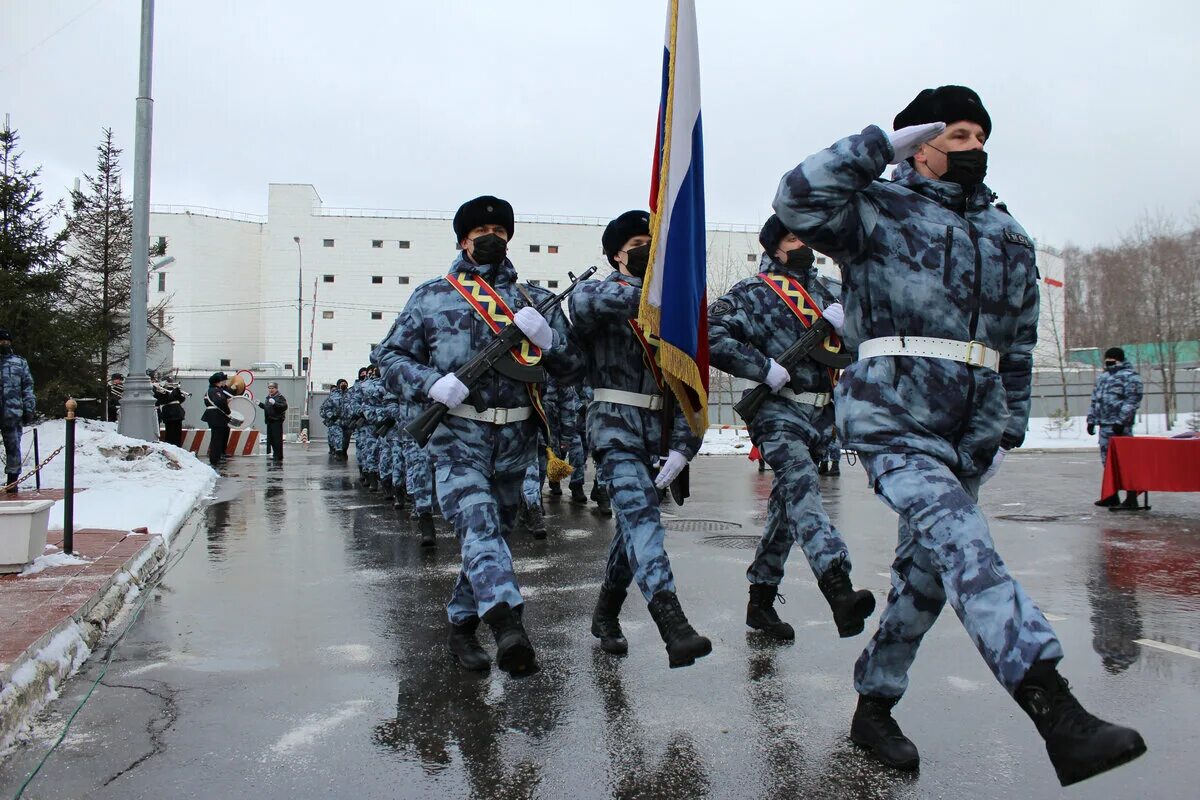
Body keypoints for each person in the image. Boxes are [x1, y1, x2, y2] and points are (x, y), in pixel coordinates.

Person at [773, 85, 1145, 786]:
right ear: (923, 144)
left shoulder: (1008, 235)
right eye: (957, 137)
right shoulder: (875, 210)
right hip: (891, 410)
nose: (974, 149)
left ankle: (874, 704)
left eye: (981, 137)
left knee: (928, 576)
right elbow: (795, 200)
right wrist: (882, 143)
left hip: (968, 425)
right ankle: (1053, 707)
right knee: (964, 543)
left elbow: (1019, 340)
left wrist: (1008, 423)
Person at [376, 195, 583, 677]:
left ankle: (461, 625)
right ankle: (508, 625)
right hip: (457, 435)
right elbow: (389, 358)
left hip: (515, 438)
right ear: (462, 240)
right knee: (478, 523)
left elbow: (573, 369)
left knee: (492, 536)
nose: (491, 236)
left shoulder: (532, 300)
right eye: (480, 230)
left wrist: (550, 341)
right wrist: (431, 383)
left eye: (499, 229)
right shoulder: (432, 296)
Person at [708, 214, 874, 641]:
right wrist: (763, 368)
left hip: (822, 416)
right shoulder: (752, 293)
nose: (803, 244)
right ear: (773, 246)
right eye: (794, 238)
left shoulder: (830, 292)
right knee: (803, 488)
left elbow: (866, 344)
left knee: (787, 509)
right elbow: (708, 334)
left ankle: (760, 602)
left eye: (806, 236)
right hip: (777, 411)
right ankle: (838, 587)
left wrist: (850, 326)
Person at [569, 210, 710, 669]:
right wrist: (663, 292)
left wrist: (686, 444)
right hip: (614, 424)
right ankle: (673, 623)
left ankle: (606, 613)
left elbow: (687, 380)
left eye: (653, 242)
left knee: (634, 524)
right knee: (643, 516)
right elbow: (585, 305)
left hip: (661, 431)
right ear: (616, 255)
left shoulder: (674, 308)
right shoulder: (598, 292)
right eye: (636, 243)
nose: (647, 249)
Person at [1087, 347, 1144, 508]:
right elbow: (1095, 400)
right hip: (1104, 425)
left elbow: (1132, 401)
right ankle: (1111, 495)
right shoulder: (1103, 377)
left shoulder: (1130, 377)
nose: (1108, 361)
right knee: (1107, 463)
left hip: (1120, 427)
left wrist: (1121, 421)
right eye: (1107, 358)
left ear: (1119, 359)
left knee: (1125, 462)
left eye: (1112, 358)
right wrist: (1091, 420)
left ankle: (1131, 497)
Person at [1, 328, 36, 493]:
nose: (4, 344)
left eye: (6, 341)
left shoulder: (19, 362)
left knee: (13, 448)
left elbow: (28, 387)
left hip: (12, 413)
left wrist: (29, 408)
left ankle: (12, 482)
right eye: (1, 341)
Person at [201, 372, 233, 467]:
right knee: (217, 439)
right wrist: (228, 411)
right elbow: (220, 401)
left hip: (213, 416)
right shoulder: (215, 390)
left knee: (216, 437)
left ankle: (215, 457)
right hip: (217, 416)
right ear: (217, 382)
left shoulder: (210, 390)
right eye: (220, 381)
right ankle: (215, 459)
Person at [155, 371, 188, 447]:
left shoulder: (175, 389)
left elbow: (182, 398)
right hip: (173, 412)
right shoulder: (162, 390)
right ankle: (175, 447)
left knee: (172, 432)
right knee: (173, 432)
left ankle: (174, 447)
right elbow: (161, 399)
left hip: (173, 412)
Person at [259, 382, 288, 462]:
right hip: (269, 420)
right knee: (271, 439)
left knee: (277, 439)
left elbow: (284, 406)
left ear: (276, 389)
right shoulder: (269, 397)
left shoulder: (280, 397)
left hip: (276, 421)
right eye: (269, 388)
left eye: (272, 388)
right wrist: (260, 404)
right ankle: (275, 454)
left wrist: (275, 403)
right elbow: (267, 408)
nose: (271, 390)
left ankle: (278, 456)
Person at [320, 379, 351, 456]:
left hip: (347, 421)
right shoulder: (333, 396)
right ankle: (337, 451)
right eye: (342, 383)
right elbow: (326, 408)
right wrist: (331, 416)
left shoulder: (351, 395)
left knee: (346, 439)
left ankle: (344, 451)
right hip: (336, 421)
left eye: (345, 383)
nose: (344, 384)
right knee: (337, 435)